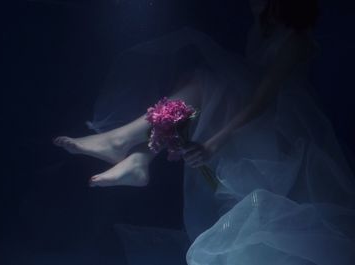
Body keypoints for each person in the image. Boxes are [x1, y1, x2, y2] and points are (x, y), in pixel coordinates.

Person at [54, 0, 355, 264]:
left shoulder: (297, 41)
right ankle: (139, 157)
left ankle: (126, 145)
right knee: (197, 83)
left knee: (207, 80)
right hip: (247, 127)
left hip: (274, 137)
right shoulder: (260, 31)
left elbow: (261, 101)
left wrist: (213, 142)